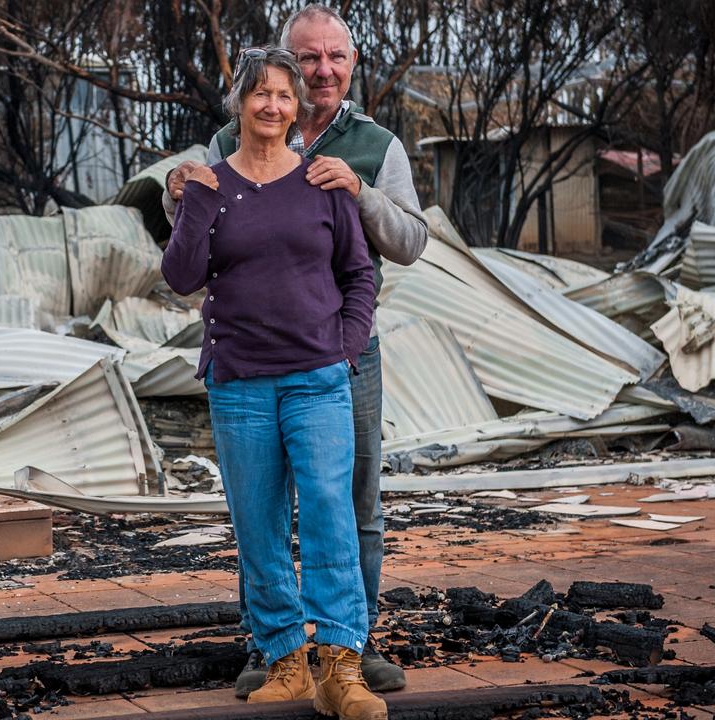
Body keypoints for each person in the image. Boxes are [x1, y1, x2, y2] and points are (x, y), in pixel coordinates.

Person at [163, 4, 429, 696]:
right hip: (250, 358)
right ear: (272, 75)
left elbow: (406, 245)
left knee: (349, 502)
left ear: (351, 63)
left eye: (334, 57)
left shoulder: (375, 145)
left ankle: (354, 647)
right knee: (260, 509)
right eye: (306, 59)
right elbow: (200, 233)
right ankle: (273, 648)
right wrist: (177, 193)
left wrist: (359, 190)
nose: (321, 72)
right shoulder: (230, 138)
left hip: (340, 352)